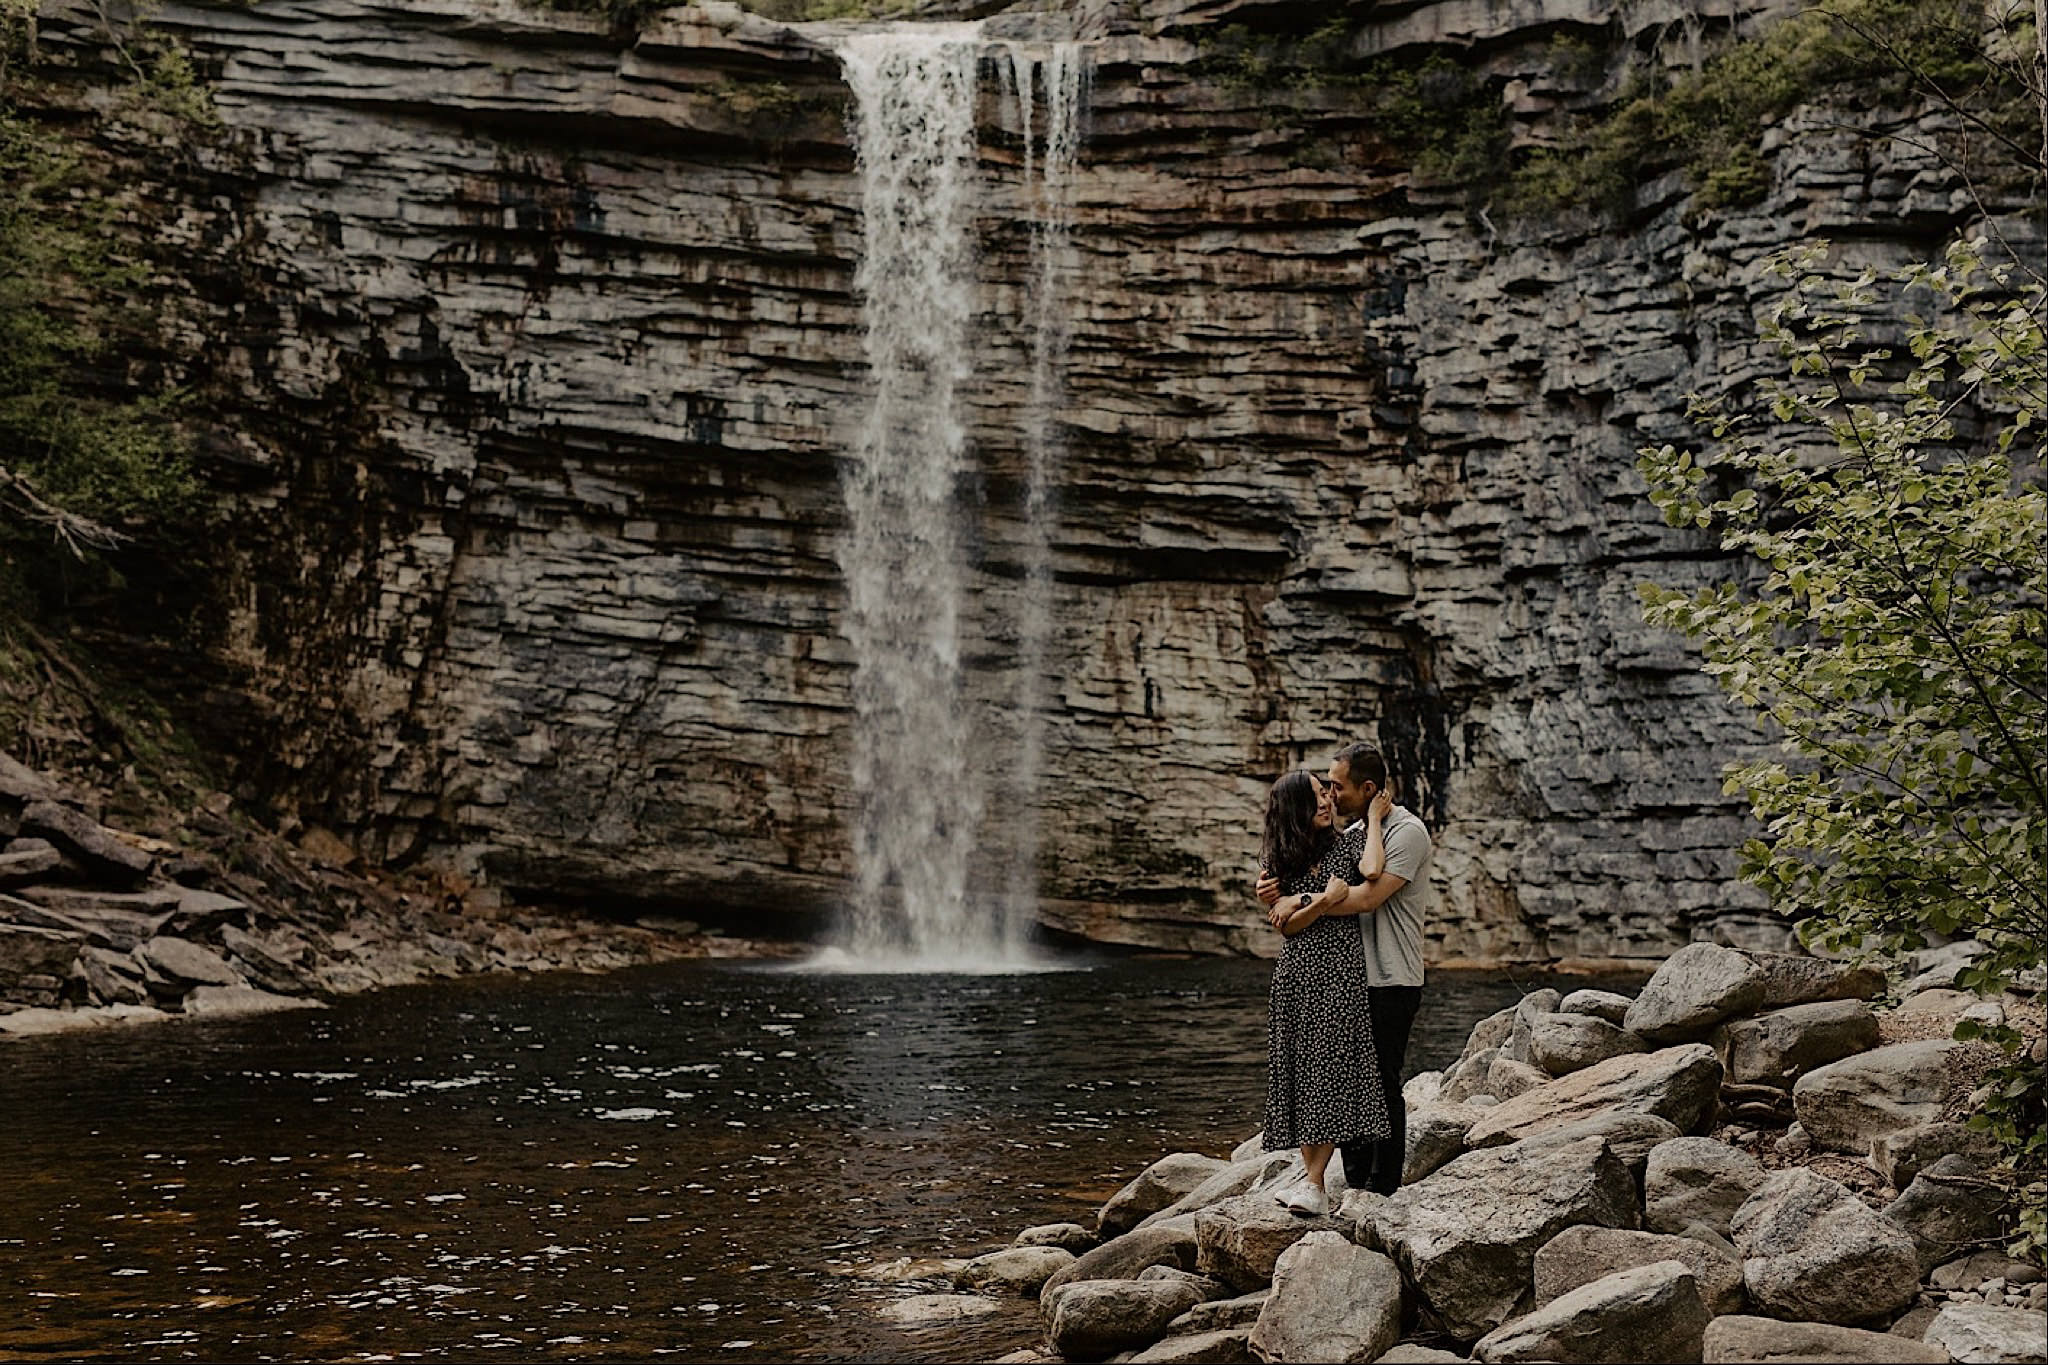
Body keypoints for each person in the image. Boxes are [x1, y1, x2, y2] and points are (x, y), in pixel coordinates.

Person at [1256, 741, 1432, 1196]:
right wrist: (1280, 897)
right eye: (1325, 787)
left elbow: (1368, 898)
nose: (1330, 795)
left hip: (1391, 976)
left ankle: (1383, 1187)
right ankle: (1353, 1184)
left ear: (1368, 789)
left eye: (1336, 786)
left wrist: (1298, 901)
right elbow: (1306, 889)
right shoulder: (1349, 833)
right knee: (1348, 1075)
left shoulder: (1406, 832)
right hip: (1351, 975)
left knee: (1383, 1081)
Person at [1257, 770, 1390, 1217]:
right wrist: (1323, 900)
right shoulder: (1283, 862)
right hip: (1296, 975)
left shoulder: (1346, 845)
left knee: (1328, 1071)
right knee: (1304, 1071)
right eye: (1315, 798)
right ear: (1295, 807)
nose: (1326, 802)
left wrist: (1373, 820)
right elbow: (1289, 927)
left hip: (1338, 975)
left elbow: (1372, 871)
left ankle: (1315, 1183)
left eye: (1327, 794)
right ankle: (1310, 1179)